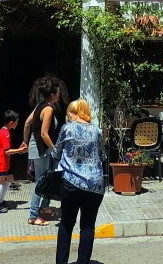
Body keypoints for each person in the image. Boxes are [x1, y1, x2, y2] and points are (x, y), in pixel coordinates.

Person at [54, 98, 105, 264]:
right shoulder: (97, 130)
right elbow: (102, 155)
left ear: (75, 112)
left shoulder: (67, 128)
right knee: (88, 227)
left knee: (67, 224)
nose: (68, 115)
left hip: (72, 183)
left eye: (70, 112)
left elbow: (56, 152)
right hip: (95, 186)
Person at [24, 79, 62, 225]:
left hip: (36, 146)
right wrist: (54, 148)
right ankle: (33, 215)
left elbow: (27, 123)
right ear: (52, 95)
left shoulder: (40, 106)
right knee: (40, 181)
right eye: (58, 92)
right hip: (42, 149)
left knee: (45, 178)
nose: (59, 94)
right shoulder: (48, 109)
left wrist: (26, 141)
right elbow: (44, 134)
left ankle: (44, 207)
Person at [0, 110, 28, 213]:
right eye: (16, 121)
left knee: (10, 179)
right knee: (1, 183)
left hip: (3, 161)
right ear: (11, 122)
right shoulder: (6, 134)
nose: (17, 123)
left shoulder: (2, 131)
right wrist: (20, 150)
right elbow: (7, 151)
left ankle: (1, 200)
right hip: (2, 161)